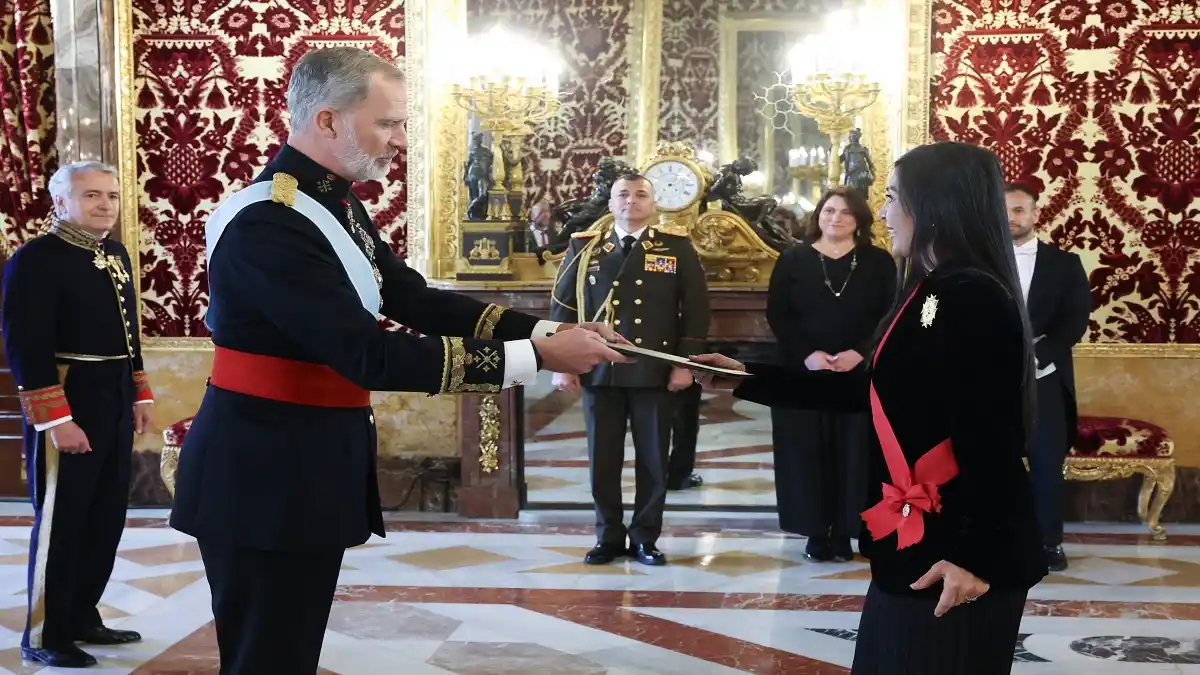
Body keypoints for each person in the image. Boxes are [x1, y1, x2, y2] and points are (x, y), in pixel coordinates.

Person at [168, 47, 629, 675]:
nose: (400, 140)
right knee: (265, 655)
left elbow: (413, 300)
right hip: (261, 472)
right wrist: (535, 356)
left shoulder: (334, 204)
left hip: (304, 461)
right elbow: (371, 355)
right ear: (328, 121)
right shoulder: (269, 223)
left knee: (291, 647)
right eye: (387, 123)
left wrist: (552, 328)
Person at [692, 142, 1048, 674]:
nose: (882, 213)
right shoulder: (930, 290)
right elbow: (874, 390)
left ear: (933, 205)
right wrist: (745, 376)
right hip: (927, 544)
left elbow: (991, 435)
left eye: (890, 197)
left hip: (959, 557)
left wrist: (976, 556)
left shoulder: (967, 294)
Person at [1, 161, 154, 668]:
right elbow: (26, 346)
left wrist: (140, 392)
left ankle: (82, 616)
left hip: (112, 394)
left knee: (105, 516)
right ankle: (46, 635)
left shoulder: (113, 253)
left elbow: (128, 331)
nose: (105, 204)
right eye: (91, 195)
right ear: (61, 201)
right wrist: (55, 419)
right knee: (63, 521)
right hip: (69, 396)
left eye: (111, 195)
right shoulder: (36, 259)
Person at [549, 174, 710, 566]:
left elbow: (696, 309)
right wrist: (560, 362)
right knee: (602, 460)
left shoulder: (675, 247)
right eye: (623, 194)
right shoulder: (584, 247)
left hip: (653, 368)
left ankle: (645, 537)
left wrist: (684, 366)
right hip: (598, 368)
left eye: (641, 195)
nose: (631, 201)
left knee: (654, 459)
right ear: (610, 203)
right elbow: (564, 306)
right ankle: (608, 536)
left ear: (654, 205)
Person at [767, 187, 895, 561]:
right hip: (802, 373)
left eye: (845, 213)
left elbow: (889, 313)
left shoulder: (879, 262)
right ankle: (814, 531)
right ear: (818, 216)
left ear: (859, 221)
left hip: (857, 373)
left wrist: (860, 352)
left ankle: (845, 531)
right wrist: (808, 355)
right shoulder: (793, 259)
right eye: (828, 211)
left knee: (854, 453)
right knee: (806, 454)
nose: (835, 218)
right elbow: (779, 315)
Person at [1006, 183, 1091, 572]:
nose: (1012, 218)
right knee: (993, 462)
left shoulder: (1065, 264)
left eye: (1019, 210)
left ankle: (1049, 541)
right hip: (990, 381)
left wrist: (1036, 354)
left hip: (1045, 379)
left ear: (1035, 214)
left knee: (1045, 464)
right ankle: (995, 538)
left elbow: (1074, 323)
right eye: (1004, 210)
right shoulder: (977, 262)